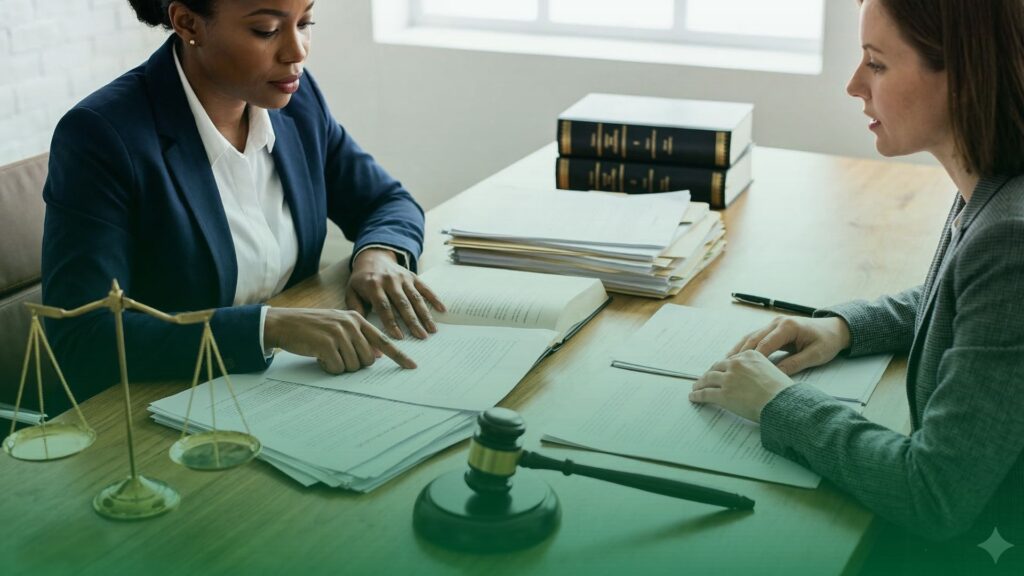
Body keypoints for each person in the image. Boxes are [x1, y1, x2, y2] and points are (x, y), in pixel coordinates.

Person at [688, 0, 1024, 568]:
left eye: (877, 64)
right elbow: (965, 303)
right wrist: (844, 327)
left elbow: (932, 494)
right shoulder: (996, 188)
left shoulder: (1011, 237)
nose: (853, 86)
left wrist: (778, 402)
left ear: (965, 75)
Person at [41, 0, 446, 407]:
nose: (297, 52)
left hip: (294, 386)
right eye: (266, 30)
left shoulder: (297, 99)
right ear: (188, 23)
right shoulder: (102, 136)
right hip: (166, 406)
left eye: (305, 22)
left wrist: (378, 255)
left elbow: (386, 200)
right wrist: (267, 328)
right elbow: (81, 337)